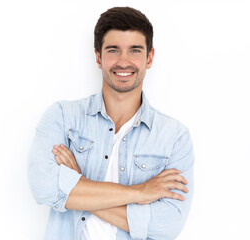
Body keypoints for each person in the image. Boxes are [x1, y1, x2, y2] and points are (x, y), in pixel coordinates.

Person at [28, 6, 194, 240]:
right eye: (113, 50)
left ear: (149, 57)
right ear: (98, 57)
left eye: (134, 50)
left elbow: (167, 225)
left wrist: (79, 185)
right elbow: (44, 188)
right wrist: (140, 192)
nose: (124, 61)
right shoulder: (63, 117)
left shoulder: (174, 137)